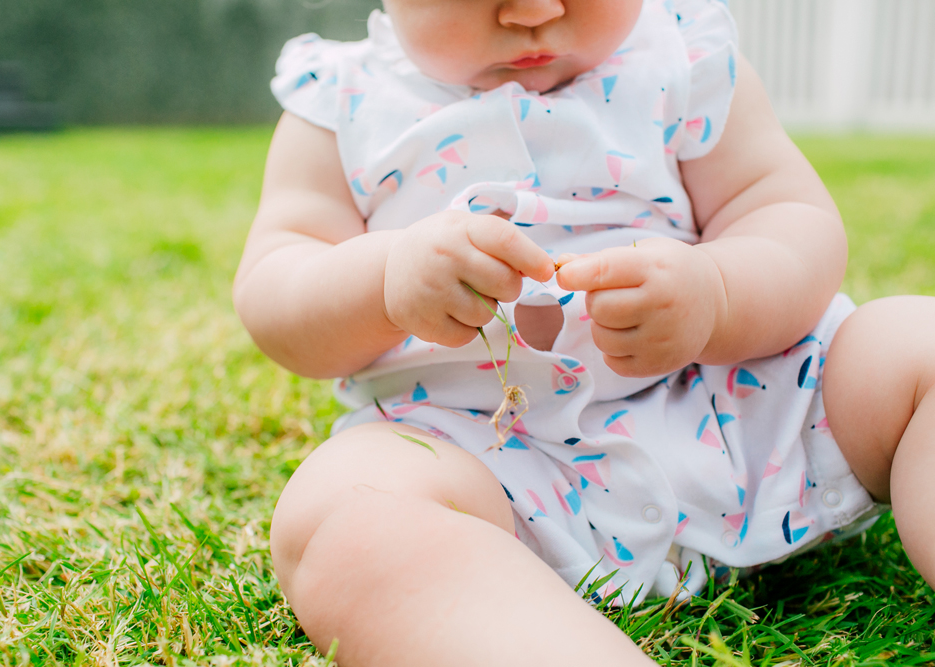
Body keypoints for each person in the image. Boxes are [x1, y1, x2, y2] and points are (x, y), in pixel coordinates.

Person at [234, 0, 935, 664]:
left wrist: (714, 293)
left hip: (744, 411)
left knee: (915, 345)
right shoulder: (340, 101)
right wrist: (384, 280)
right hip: (493, 465)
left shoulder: (683, 55)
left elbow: (788, 217)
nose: (535, 10)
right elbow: (277, 290)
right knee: (345, 516)